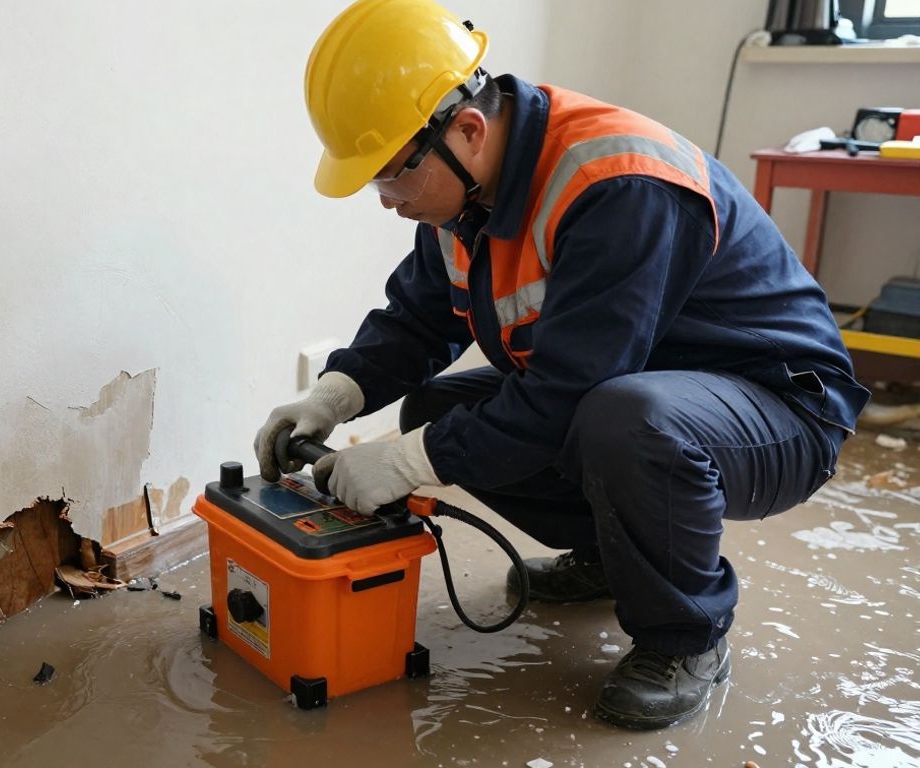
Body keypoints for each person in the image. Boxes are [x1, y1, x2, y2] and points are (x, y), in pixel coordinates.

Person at [254, 0, 868, 730]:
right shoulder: (462, 199)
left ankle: (686, 638)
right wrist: (333, 395)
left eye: (391, 176)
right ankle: (617, 557)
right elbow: (418, 319)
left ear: (468, 130)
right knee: (439, 414)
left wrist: (407, 464)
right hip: (642, 390)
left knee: (625, 421)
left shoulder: (617, 182)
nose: (387, 201)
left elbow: (569, 392)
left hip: (781, 408)